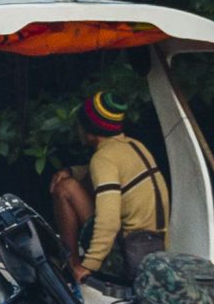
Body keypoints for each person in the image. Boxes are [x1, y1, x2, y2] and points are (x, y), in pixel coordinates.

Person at [48, 89, 169, 285]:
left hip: (129, 260)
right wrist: (72, 170)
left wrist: (89, 266)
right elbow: (108, 173)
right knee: (74, 181)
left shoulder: (103, 158)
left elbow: (109, 220)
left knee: (65, 189)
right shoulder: (134, 146)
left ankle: (70, 265)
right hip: (155, 252)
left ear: (88, 129)